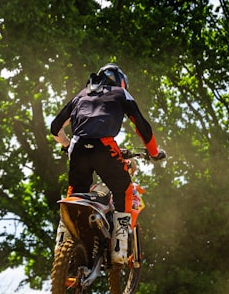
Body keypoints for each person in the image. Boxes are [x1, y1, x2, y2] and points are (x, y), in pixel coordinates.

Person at [49, 62, 165, 264]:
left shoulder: (81, 94)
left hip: (78, 149)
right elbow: (142, 126)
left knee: (75, 194)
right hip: (104, 147)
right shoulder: (121, 93)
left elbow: (55, 127)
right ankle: (119, 245)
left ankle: (63, 238)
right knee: (124, 190)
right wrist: (154, 153)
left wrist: (68, 144)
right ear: (121, 81)